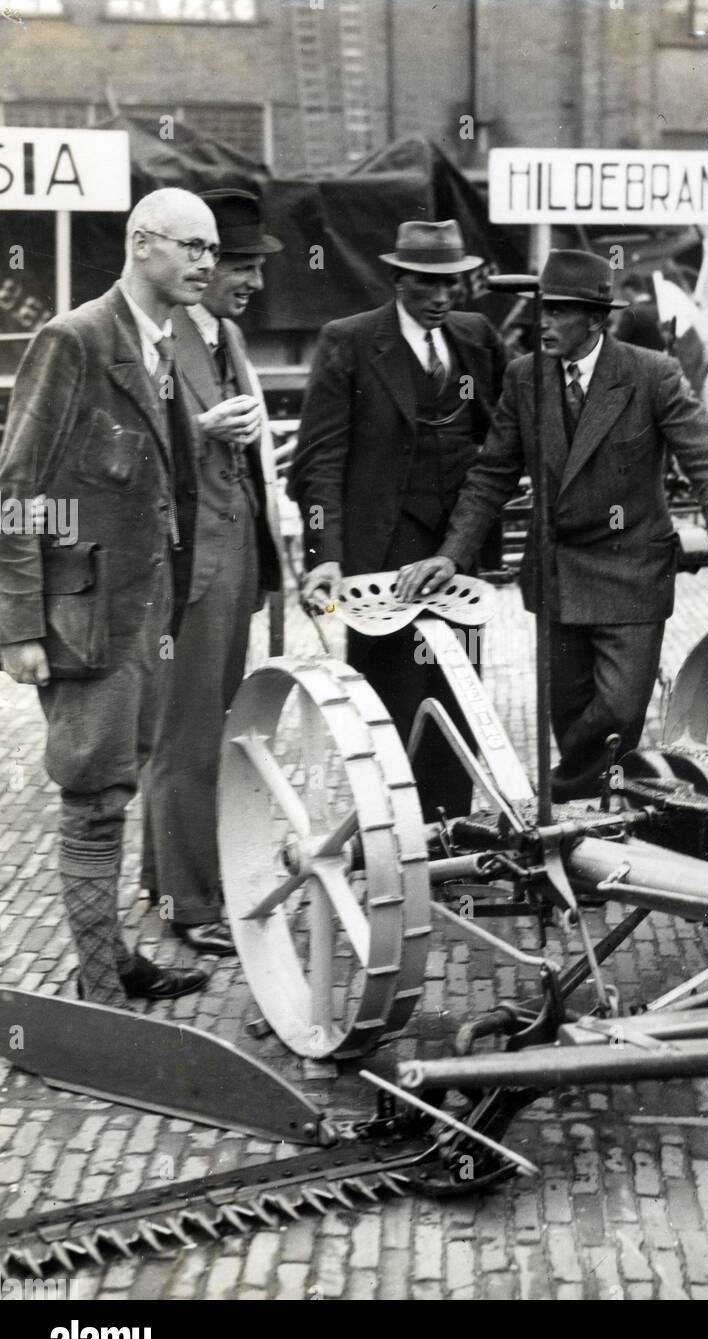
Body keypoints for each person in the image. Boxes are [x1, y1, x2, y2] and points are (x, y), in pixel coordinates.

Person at [397, 249, 708, 803]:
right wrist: (452, 555)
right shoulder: (525, 379)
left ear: (596, 320)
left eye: (557, 313)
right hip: (558, 581)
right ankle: (591, 842)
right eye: (542, 311)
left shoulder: (653, 375)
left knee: (617, 714)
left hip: (632, 577)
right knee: (570, 722)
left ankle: (557, 805)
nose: (541, 323)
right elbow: (491, 476)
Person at [0, 188, 219, 1005]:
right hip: (85, 620)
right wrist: (20, 626)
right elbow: (17, 486)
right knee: (93, 798)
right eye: (191, 246)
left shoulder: (158, 341)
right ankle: (99, 992)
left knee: (118, 784)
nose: (206, 263)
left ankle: (114, 954)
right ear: (141, 244)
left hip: (143, 614)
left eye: (211, 250)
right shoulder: (76, 338)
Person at [288, 220, 506, 818]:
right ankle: (395, 837)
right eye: (426, 284)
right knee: (392, 701)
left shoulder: (476, 337)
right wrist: (324, 555)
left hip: (455, 551)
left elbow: (501, 433)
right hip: (382, 554)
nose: (441, 297)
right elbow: (320, 459)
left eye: (452, 284)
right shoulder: (351, 342)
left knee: (458, 690)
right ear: (398, 280)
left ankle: (450, 837)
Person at [141, 189, 284, 955]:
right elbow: (125, 453)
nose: (253, 282)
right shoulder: (158, 339)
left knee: (212, 728)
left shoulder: (222, 336)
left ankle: (161, 872)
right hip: (189, 569)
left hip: (232, 564)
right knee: (190, 739)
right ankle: (191, 903)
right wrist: (198, 431)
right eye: (243, 265)